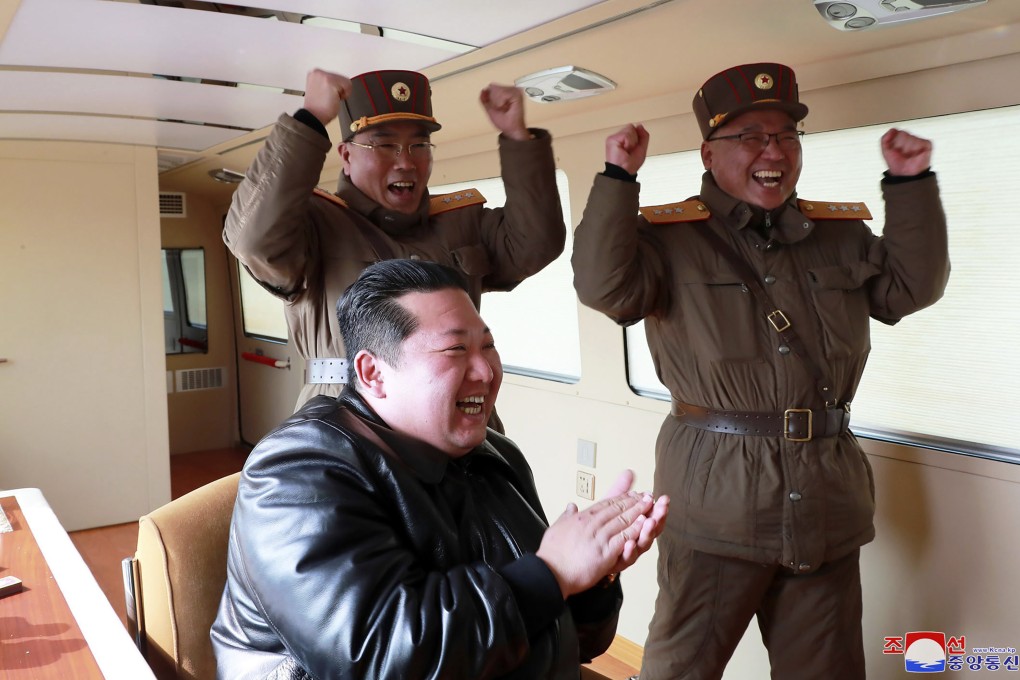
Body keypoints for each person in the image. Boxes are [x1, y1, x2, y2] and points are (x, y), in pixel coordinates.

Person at [571, 62, 949, 679]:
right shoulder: (668, 238)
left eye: (786, 136)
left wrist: (910, 185)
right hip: (715, 500)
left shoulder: (840, 233)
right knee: (681, 669)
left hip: (827, 499)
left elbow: (911, 289)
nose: (772, 151)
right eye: (750, 136)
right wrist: (618, 179)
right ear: (708, 152)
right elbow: (603, 285)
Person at [211, 258, 670, 680]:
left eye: (487, 346)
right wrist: (552, 573)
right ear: (372, 373)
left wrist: (594, 574)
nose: (487, 371)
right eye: (455, 351)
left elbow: (572, 639)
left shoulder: (496, 456)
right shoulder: (298, 470)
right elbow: (378, 657)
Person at [224, 68, 566, 412]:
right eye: (384, 145)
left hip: (454, 413)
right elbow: (253, 241)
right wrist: (310, 119)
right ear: (346, 156)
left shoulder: (462, 221)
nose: (405, 162)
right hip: (348, 418)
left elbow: (536, 245)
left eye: (419, 145)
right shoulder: (312, 224)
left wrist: (518, 139)